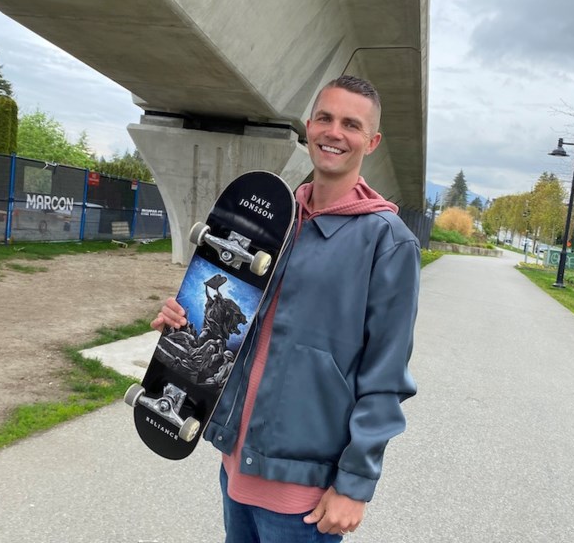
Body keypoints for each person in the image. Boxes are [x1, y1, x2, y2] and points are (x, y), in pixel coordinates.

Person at [152, 75, 421, 542]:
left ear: (372, 141)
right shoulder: (269, 220)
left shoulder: (388, 242)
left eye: (351, 124)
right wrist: (184, 321)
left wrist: (354, 486)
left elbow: (385, 376)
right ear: (308, 126)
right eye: (325, 118)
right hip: (237, 464)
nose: (334, 132)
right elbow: (231, 319)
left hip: (305, 494)